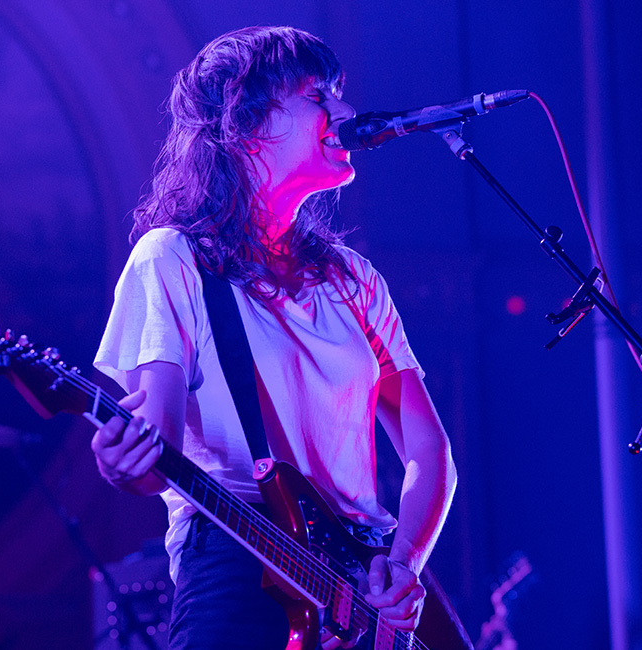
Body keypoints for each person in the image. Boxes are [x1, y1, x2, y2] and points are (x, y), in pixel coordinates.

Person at [90, 26, 457, 650]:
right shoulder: (173, 260)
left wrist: (403, 568)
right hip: (238, 560)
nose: (345, 111)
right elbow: (157, 454)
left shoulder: (353, 279)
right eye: (320, 94)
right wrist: (122, 463)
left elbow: (430, 449)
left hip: (363, 571)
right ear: (247, 119)